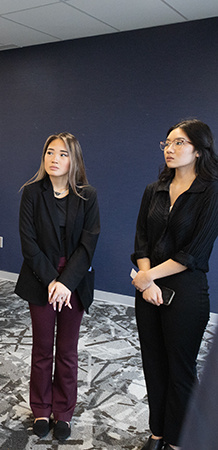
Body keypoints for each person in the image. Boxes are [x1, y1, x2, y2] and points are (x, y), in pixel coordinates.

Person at [131, 119, 218, 450]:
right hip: (148, 291)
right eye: (167, 143)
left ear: (198, 149)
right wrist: (145, 280)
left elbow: (193, 253)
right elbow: (141, 240)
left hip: (186, 294)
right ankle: (157, 433)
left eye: (179, 143)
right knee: (154, 366)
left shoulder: (211, 191)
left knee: (180, 370)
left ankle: (178, 440)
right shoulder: (153, 190)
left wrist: (148, 276)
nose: (170, 148)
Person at [15, 133, 100, 442]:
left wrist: (65, 283)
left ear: (73, 159)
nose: (54, 158)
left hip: (74, 282)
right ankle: (40, 407)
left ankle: (63, 411)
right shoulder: (32, 193)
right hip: (41, 280)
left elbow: (88, 244)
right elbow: (29, 243)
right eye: (50, 152)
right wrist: (52, 280)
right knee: (41, 350)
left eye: (62, 154)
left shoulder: (87, 196)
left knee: (66, 351)